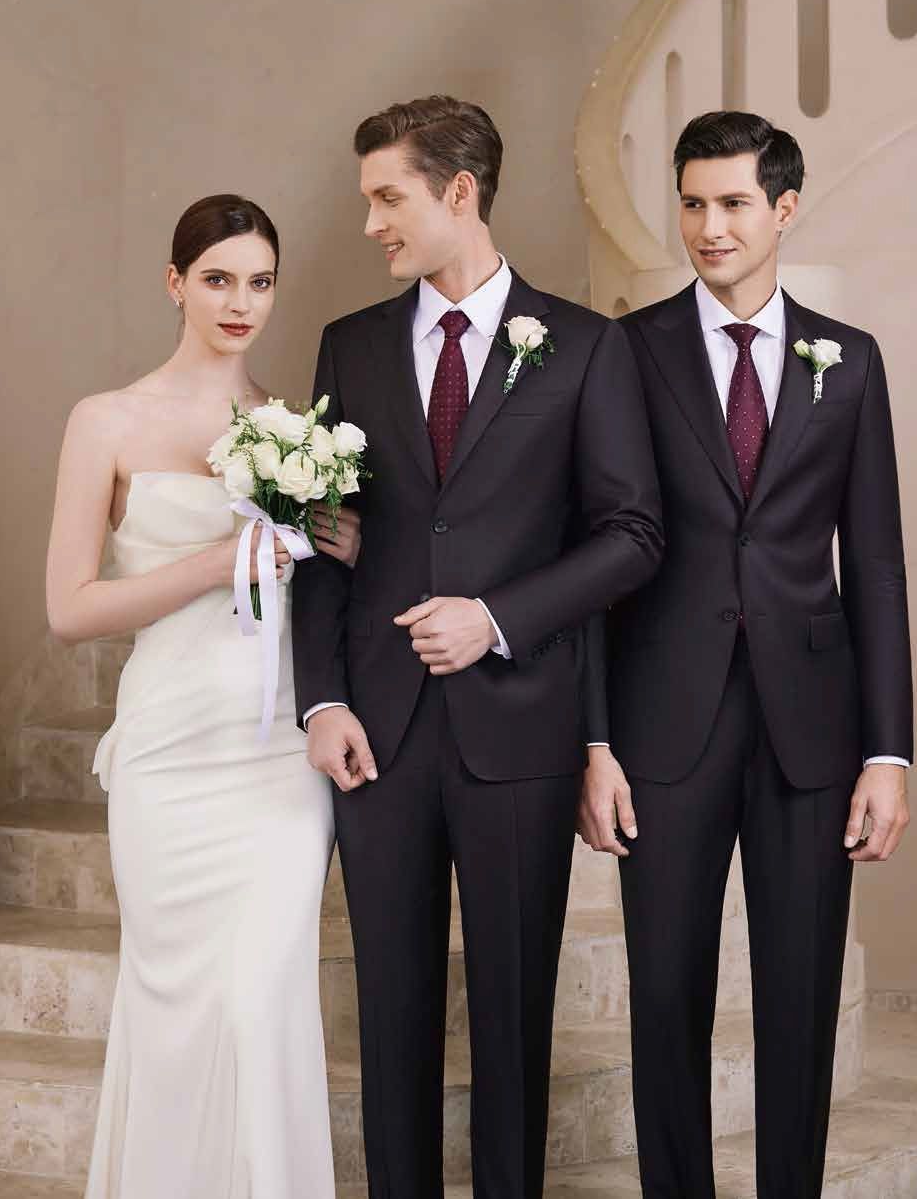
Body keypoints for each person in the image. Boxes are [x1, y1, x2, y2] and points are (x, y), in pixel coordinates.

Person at [292, 95, 663, 1198]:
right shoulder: (349, 345)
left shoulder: (588, 346)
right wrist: (321, 700)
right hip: (379, 734)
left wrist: (495, 617)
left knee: (511, 1020)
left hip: (524, 732)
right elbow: (319, 537)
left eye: (387, 198)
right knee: (392, 1019)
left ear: (460, 193)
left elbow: (633, 535)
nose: (371, 225)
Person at [579, 111, 913, 1199]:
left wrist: (888, 754)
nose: (708, 227)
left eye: (731, 204)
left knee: (800, 994)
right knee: (665, 992)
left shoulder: (848, 362)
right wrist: (594, 736)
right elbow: (596, 553)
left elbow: (876, 567)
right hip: (662, 720)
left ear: (783, 208)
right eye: (692, 203)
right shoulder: (625, 351)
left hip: (810, 730)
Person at [46, 194, 359, 1199]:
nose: (240, 301)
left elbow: (322, 595)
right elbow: (70, 608)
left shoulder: (296, 431)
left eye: (260, 281)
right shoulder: (105, 419)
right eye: (218, 278)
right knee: (173, 999)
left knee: (262, 995)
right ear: (176, 282)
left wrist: (336, 542)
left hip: (274, 753)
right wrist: (227, 556)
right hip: (168, 747)